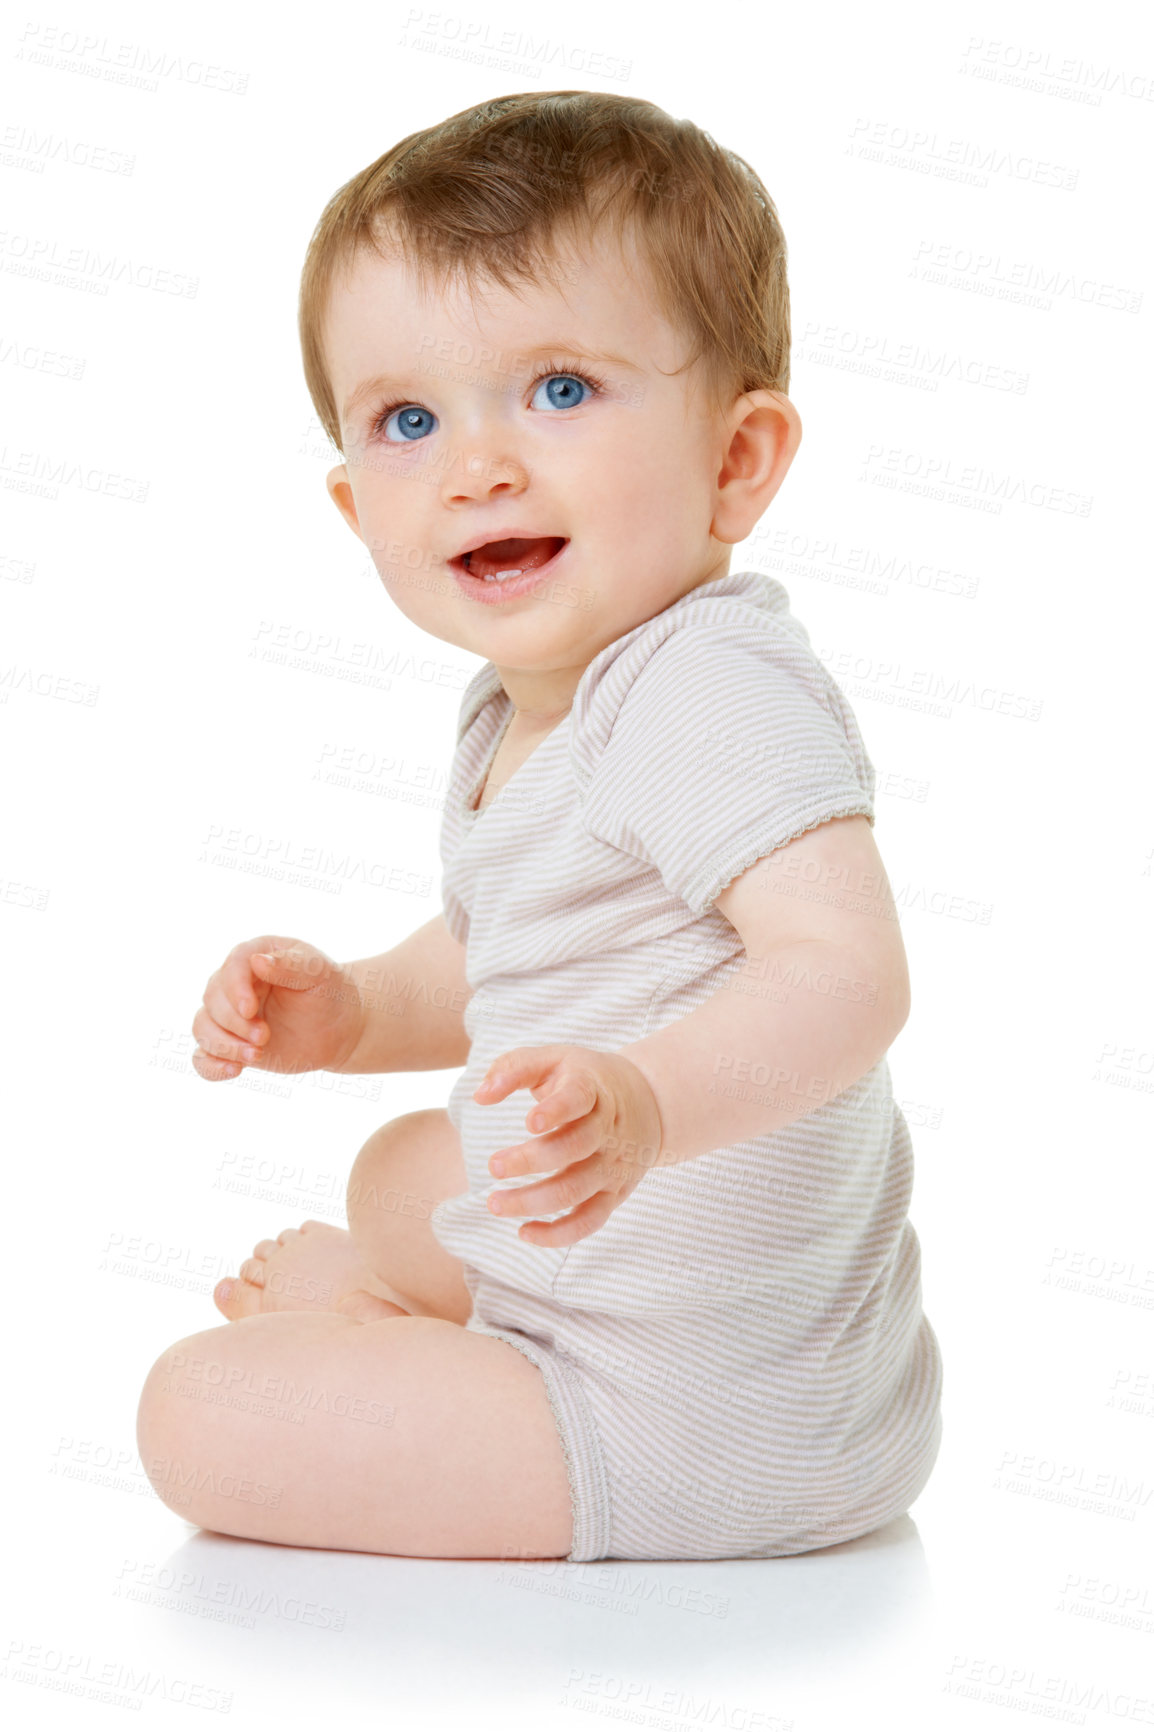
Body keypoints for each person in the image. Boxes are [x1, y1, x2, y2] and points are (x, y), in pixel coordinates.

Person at [137, 90, 943, 1563]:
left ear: (737, 460)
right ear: (349, 504)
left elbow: (844, 974)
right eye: (406, 418)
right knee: (401, 1173)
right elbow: (504, 942)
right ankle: (423, 1331)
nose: (477, 464)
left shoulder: (702, 684)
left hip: (683, 1421)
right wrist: (359, 1008)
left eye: (559, 390)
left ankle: (410, 1356)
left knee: (194, 1414)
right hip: (770, 1370)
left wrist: (644, 1105)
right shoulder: (532, 702)